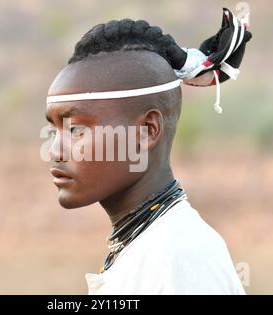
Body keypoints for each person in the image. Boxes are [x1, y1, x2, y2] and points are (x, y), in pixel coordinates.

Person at [44, 8, 251, 294]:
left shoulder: (180, 258)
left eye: (76, 130)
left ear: (147, 130)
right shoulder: (148, 247)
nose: (54, 151)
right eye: (54, 131)